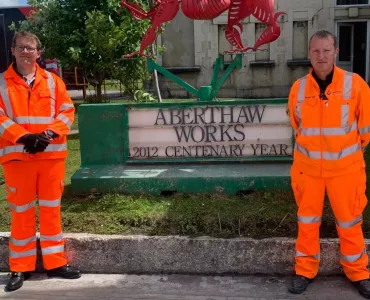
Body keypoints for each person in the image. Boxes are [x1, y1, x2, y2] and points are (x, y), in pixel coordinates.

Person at [287, 29, 370, 298]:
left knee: (349, 223)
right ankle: (304, 271)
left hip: (345, 171)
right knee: (307, 223)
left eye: (326, 50)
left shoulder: (356, 85)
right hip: (308, 170)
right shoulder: (298, 88)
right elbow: (297, 126)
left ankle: (359, 273)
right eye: (315, 51)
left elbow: (366, 130)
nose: (321, 56)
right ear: (309, 54)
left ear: (336, 52)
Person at [0, 31, 80, 292]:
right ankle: (20, 267)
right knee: (21, 212)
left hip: (50, 157)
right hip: (18, 158)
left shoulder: (54, 82)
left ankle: (55, 262)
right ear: (12, 50)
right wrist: (23, 137)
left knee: (50, 210)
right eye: (21, 47)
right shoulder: (2, 83)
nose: (26, 52)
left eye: (30, 48)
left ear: (38, 52)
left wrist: (46, 134)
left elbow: (67, 112)